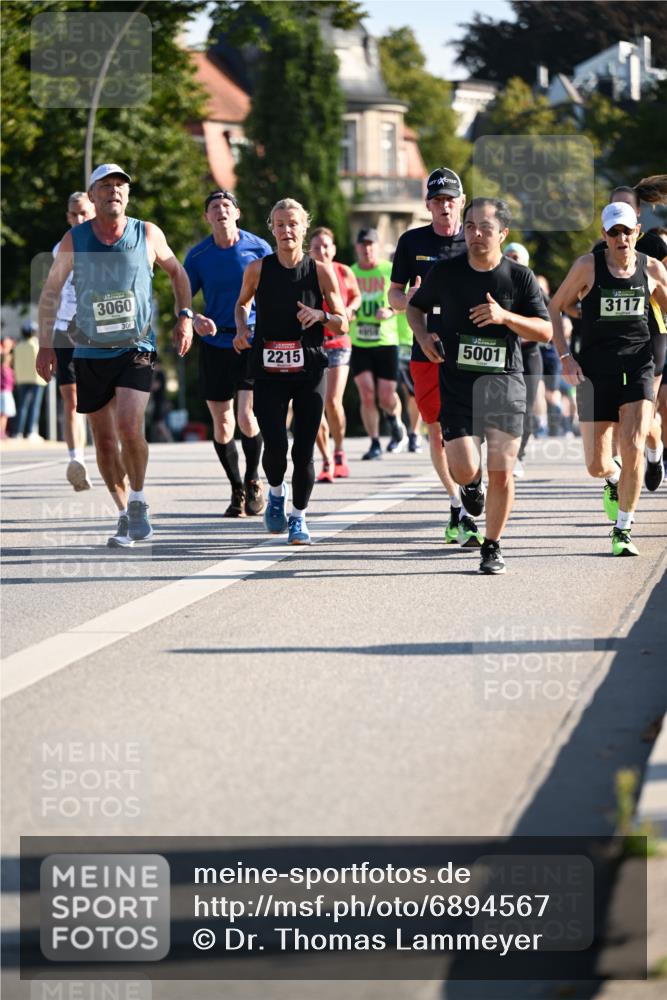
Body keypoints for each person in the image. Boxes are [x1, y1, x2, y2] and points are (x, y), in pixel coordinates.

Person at [36, 163, 194, 547]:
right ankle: (123, 512)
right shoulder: (75, 239)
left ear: (128, 194)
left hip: (135, 348)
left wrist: (184, 316)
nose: (114, 192)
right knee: (104, 441)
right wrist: (45, 345)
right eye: (105, 187)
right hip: (88, 349)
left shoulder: (147, 233)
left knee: (128, 425)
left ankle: (139, 501)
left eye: (120, 186)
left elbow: (177, 272)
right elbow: (51, 292)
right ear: (92, 196)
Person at [408, 198, 552, 574]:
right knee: (462, 467)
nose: (475, 233)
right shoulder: (446, 272)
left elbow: (546, 330)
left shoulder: (519, 278)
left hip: (504, 385)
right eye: (469, 225)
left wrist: (505, 316)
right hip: (457, 385)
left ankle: (493, 544)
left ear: (502, 233)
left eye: (484, 227)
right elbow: (414, 308)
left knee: (502, 471)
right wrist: (423, 337)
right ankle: (471, 487)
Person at [548, 202, 667, 556]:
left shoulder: (653, 269)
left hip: (639, 365)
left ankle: (623, 529)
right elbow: (556, 307)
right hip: (596, 370)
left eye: (626, 231)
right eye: (613, 232)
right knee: (596, 464)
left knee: (631, 447)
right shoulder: (588, 266)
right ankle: (613, 481)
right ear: (604, 235)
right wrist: (565, 356)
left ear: (637, 232)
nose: (620, 238)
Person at [233, 198, 348, 545]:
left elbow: (343, 322)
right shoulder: (257, 269)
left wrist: (321, 316)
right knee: (277, 446)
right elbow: (241, 304)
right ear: (272, 228)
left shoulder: (321, 271)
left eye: (293, 223)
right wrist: (242, 329)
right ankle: (276, 492)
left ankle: (298, 516)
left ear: (304, 227)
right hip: (268, 367)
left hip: (310, 366)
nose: (287, 230)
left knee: (303, 451)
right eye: (280, 224)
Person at [389, 167, 469, 543]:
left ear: (462, 203)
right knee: (436, 431)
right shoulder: (410, 242)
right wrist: (405, 301)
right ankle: (456, 503)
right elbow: (394, 295)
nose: (444, 206)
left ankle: (470, 491)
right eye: (437, 200)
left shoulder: (474, 241)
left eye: (450, 199)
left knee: (470, 431)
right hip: (426, 350)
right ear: (428, 205)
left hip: (470, 351)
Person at [185, 190, 271, 517]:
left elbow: (274, 289)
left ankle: (253, 481)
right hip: (215, 344)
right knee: (222, 425)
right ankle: (236, 487)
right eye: (213, 208)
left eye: (225, 206)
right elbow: (182, 300)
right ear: (207, 217)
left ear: (237, 212)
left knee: (247, 416)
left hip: (248, 340)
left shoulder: (258, 248)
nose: (220, 211)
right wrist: (194, 319)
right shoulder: (198, 256)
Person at [592, 179, 667, 492]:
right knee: (624, 420)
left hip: (652, 335)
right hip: (615, 341)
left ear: (638, 214)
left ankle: (653, 450)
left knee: (643, 414)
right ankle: (632, 467)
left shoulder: (656, 248)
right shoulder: (600, 251)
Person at [308, 226, 360, 483]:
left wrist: (350, 309)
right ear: (310, 250)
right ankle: (326, 458)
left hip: (339, 342)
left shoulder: (343, 271)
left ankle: (339, 450)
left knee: (332, 401)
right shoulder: (306, 273)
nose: (322, 251)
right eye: (317, 247)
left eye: (326, 246)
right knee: (314, 406)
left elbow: (357, 296)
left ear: (334, 249)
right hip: (314, 345)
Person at [53, 191, 96, 490]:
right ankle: (76, 459)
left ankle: (110, 451)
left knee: (100, 400)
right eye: (73, 214)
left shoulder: (105, 243)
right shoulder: (61, 248)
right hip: (64, 330)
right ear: (68, 217)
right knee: (71, 400)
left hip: (98, 332)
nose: (79, 219)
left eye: (83, 213)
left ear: (93, 211)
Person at [350, 228, 405, 460]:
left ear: (378, 246)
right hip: (358, 341)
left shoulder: (389, 270)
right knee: (366, 393)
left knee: (386, 396)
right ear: (357, 247)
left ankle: (394, 421)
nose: (367, 248)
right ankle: (374, 442)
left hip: (386, 341)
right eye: (363, 244)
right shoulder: (350, 273)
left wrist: (391, 310)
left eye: (371, 244)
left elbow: (406, 301)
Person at [502, 243, 544, 479]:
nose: (512, 260)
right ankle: (507, 452)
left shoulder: (532, 284)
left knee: (525, 408)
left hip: (529, 355)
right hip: (506, 354)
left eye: (516, 257)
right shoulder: (497, 282)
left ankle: (518, 453)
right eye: (508, 256)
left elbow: (552, 312)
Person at [13, 321, 46, 439]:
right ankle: (32, 432)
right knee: (34, 406)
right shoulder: (36, 345)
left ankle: (18, 432)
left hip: (21, 379)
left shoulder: (18, 346)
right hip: (37, 379)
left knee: (22, 406)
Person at [0, 337, 16, 439]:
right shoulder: (5, 368)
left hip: (5, 391)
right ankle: (1, 432)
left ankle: (2, 432)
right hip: (5, 392)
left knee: (4, 414)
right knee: (4, 414)